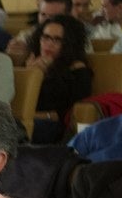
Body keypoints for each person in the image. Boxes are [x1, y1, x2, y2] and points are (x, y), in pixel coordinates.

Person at [31, 13, 94, 144]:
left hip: (56, 128)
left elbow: (67, 114)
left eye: (57, 40)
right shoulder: (33, 64)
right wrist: (33, 74)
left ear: (69, 44)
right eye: (46, 37)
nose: (48, 44)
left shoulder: (78, 70)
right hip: (29, 121)